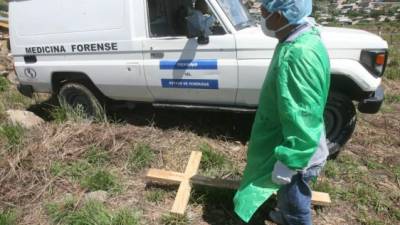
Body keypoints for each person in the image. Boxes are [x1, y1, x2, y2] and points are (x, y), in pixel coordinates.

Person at [233, 0, 331, 225]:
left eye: (265, 11)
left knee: (294, 199)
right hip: (292, 140)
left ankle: (293, 218)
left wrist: (290, 161)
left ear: (281, 16)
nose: (261, 15)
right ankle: (286, 213)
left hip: (298, 155)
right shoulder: (301, 37)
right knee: (286, 195)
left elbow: (303, 115)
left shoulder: (299, 54)